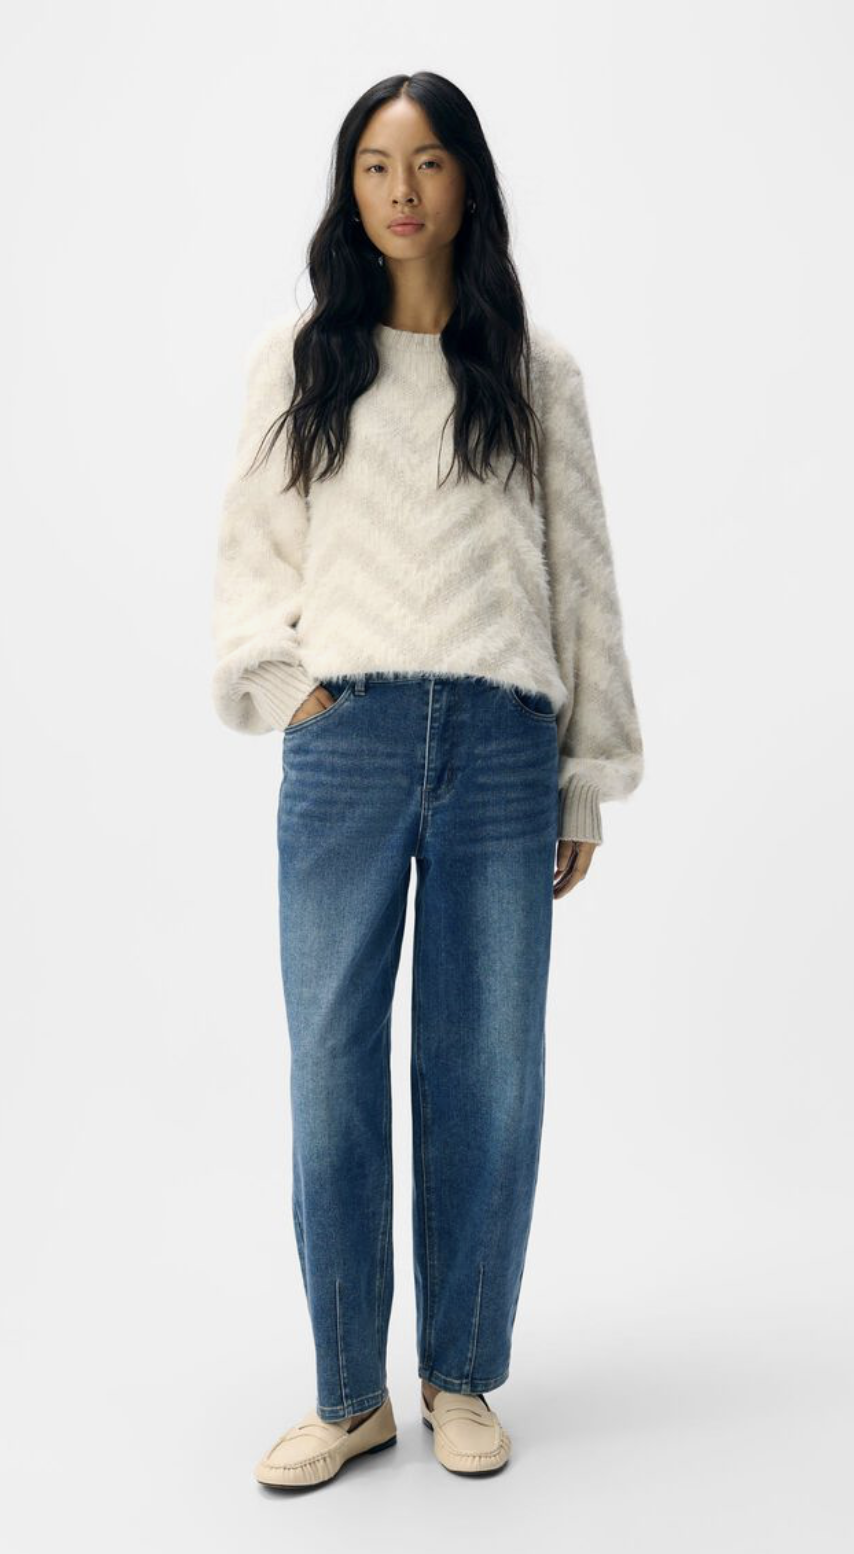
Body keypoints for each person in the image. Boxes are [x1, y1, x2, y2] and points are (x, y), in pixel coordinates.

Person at [211, 71, 643, 1488]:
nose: (401, 191)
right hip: (346, 741)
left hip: (503, 747)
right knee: (330, 1064)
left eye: (430, 162)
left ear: (468, 185)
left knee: (488, 1069)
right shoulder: (302, 359)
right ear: (351, 189)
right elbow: (253, 556)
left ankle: (458, 1375)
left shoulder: (533, 370)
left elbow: (580, 576)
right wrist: (291, 684)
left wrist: (583, 774)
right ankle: (350, 1394)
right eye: (376, 166)